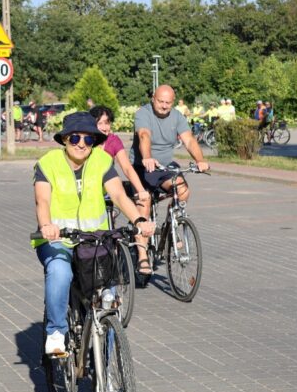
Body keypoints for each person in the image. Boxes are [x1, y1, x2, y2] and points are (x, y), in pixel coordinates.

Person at [33, 112, 155, 355]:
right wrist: (47, 225)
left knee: (107, 299)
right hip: (58, 239)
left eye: (88, 140)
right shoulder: (48, 163)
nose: (81, 144)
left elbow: (119, 195)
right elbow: (42, 201)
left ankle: (107, 369)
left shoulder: (101, 161)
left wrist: (139, 219)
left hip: (95, 240)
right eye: (75, 138)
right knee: (60, 272)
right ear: (65, 139)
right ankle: (56, 331)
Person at [132, 85, 210, 257]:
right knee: (144, 205)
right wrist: (147, 157)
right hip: (143, 165)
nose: (164, 106)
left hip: (165, 167)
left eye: (168, 102)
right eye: (161, 101)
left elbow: (189, 140)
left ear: (173, 102)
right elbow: (144, 135)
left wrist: (200, 160)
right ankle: (142, 256)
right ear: (153, 98)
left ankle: (171, 225)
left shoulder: (177, 116)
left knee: (181, 190)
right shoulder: (143, 114)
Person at [90, 105, 152, 271]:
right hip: (91, 190)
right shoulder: (86, 141)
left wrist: (140, 190)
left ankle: (141, 254)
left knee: (137, 207)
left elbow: (126, 167)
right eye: (100, 123)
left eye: (107, 122)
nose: (104, 127)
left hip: (110, 187)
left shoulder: (113, 140)